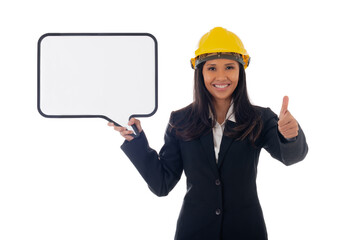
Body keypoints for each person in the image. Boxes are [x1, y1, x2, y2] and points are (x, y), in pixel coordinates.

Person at [108, 27, 308, 240]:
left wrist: (290, 136)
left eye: (229, 67)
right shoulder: (180, 120)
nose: (221, 76)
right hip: (194, 233)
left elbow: (291, 157)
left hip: (246, 232)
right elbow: (161, 184)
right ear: (200, 71)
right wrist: (136, 140)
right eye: (212, 68)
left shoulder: (259, 118)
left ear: (241, 70)